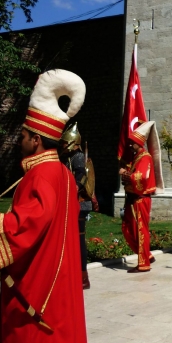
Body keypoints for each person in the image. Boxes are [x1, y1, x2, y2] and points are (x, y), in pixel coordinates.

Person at [0, 69, 88, 343]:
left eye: (24, 136)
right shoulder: (63, 173)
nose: (20, 141)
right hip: (57, 270)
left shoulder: (41, 175)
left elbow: (27, 224)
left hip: (39, 275)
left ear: (36, 139)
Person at [119, 120, 164, 272]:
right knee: (127, 229)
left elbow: (141, 177)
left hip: (140, 199)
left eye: (133, 142)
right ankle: (146, 255)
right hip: (133, 198)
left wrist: (125, 174)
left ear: (140, 143)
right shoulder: (136, 157)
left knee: (140, 230)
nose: (131, 145)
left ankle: (144, 263)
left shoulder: (145, 157)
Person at [59, 122, 97, 289]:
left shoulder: (78, 157)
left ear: (73, 142)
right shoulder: (68, 157)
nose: (63, 145)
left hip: (80, 205)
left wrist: (72, 189)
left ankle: (83, 277)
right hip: (72, 204)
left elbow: (81, 175)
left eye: (65, 142)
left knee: (79, 240)